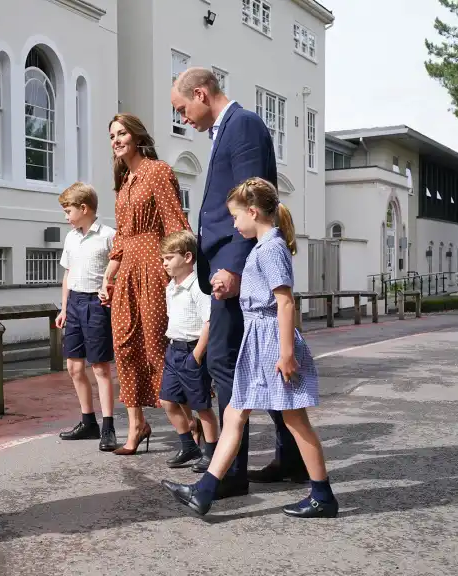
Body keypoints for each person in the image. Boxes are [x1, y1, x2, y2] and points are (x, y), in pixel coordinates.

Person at [161, 177, 338, 519]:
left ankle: (323, 495)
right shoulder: (263, 247)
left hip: (272, 342)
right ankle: (205, 491)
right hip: (257, 341)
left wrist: (286, 353)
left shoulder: (271, 248)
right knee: (233, 415)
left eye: (236, 216)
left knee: (296, 421)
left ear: (253, 212)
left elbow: (284, 303)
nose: (233, 223)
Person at [168, 67, 306, 491]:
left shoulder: (243, 125)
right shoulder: (224, 130)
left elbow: (254, 198)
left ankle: (228, 474)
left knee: (224, 362)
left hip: (235, 266)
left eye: (182, 108)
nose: (183, 118)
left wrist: (234, 265)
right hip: (226, 263)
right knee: (256, 364)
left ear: (202, 94)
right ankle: (291, 459)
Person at [100, 114, 192, 455]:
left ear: (137, 135)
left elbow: (174, 221)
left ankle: (191, 423)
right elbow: (122, 236)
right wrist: (108, 275)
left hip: (155, 265)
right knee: (123, 345)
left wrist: (180, 270)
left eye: (122, 133)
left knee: (156, 347)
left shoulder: (157, 170)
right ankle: (137, 424)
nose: (116, 139)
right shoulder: (124, 181)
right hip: (126, 272)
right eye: (112, 135)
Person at [55, 182, 118, 451]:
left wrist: (109, 290)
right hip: (75, 304)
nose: (65, 216)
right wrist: (63, 307)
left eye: (68, 210)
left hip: (96, 304)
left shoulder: (108, 236)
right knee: (74, 367)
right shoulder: (70, 238)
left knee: (100, 367)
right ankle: (88, 422)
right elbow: (68, 275)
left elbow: (118, 271)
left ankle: (108, 427)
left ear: (84, 208)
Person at [158, 230, 219, 469]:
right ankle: (188, 446)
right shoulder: (171, 287)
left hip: (193, 350)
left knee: (201, 406)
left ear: (187, 257)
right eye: (163, 259)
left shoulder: (198, 286)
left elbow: (209, 322)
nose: (164, 263)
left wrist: (196, 355)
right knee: (167, 400)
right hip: (174, 349)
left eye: (169, 258)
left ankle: (211, 452)